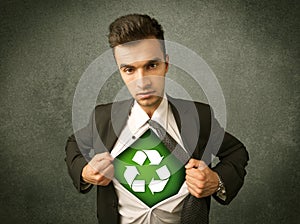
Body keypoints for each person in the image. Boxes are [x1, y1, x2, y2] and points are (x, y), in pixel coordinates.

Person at [65, 14, 249, 224]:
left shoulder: (199, 116)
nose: (142, 82)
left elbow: (236, 151)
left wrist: (216, 181)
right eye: (129, 70)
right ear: (120, 71)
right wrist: (85, 172)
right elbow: (74, 144)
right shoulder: (103, 118)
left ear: (166, 64)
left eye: (151, 66)